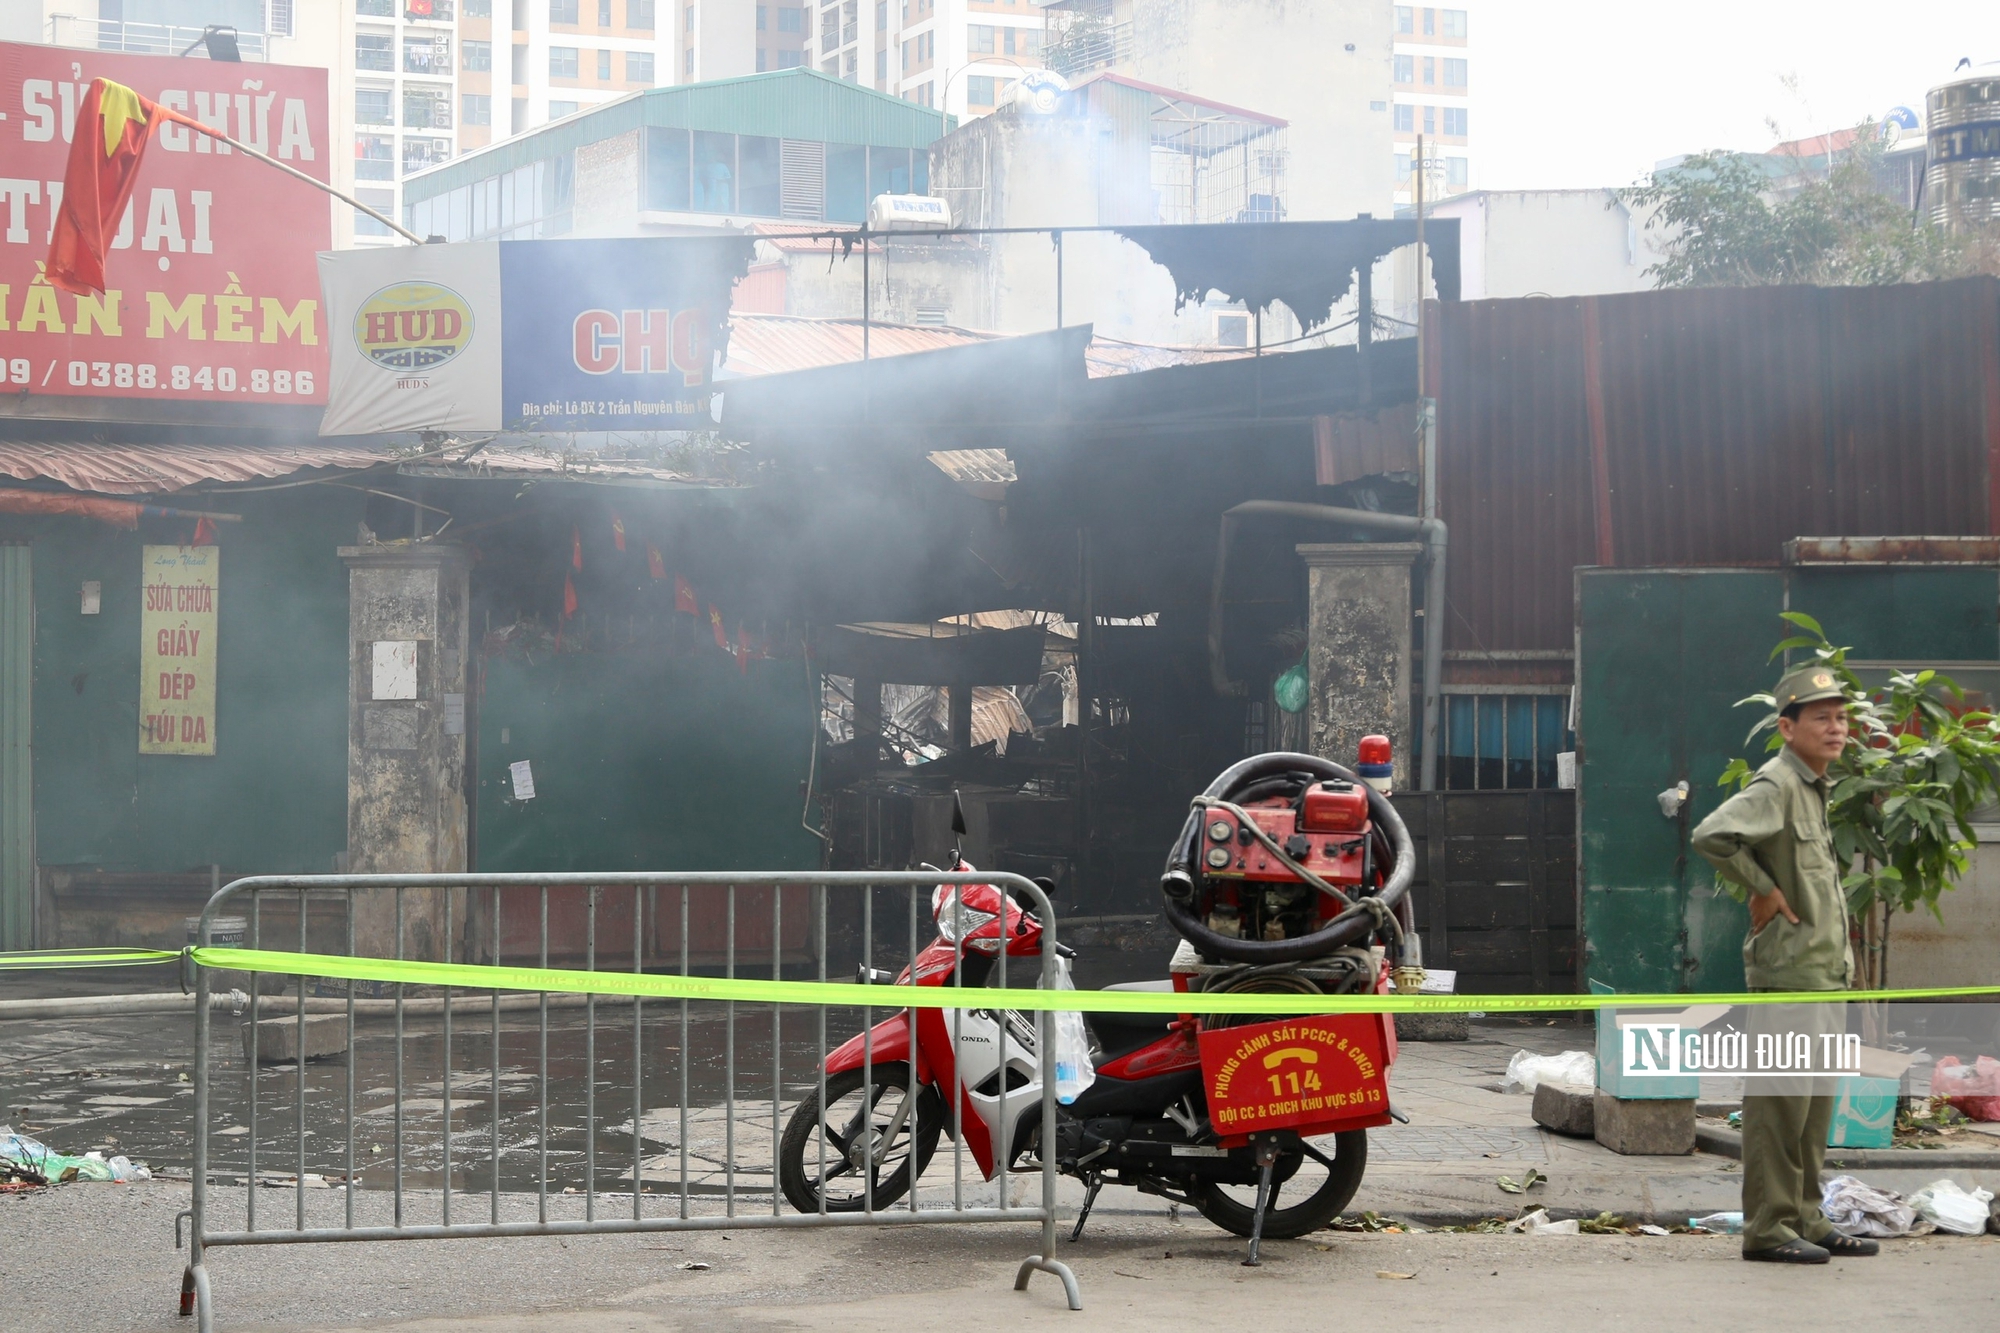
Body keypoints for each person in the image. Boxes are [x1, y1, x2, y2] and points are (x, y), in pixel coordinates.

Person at [1690, 662, 1879, 1265]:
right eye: (1821, 718)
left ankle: (1806, 1215)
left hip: (1823, 975)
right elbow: (1712, 835)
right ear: (1787, 726)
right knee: (1779, 1107)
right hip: (1788, 976)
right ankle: (1769, 1228)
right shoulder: (1777, 784)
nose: (1836, 728)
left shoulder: (1812, 786)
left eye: (1842, 717)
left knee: (1814, 1105)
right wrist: (1762, 888)